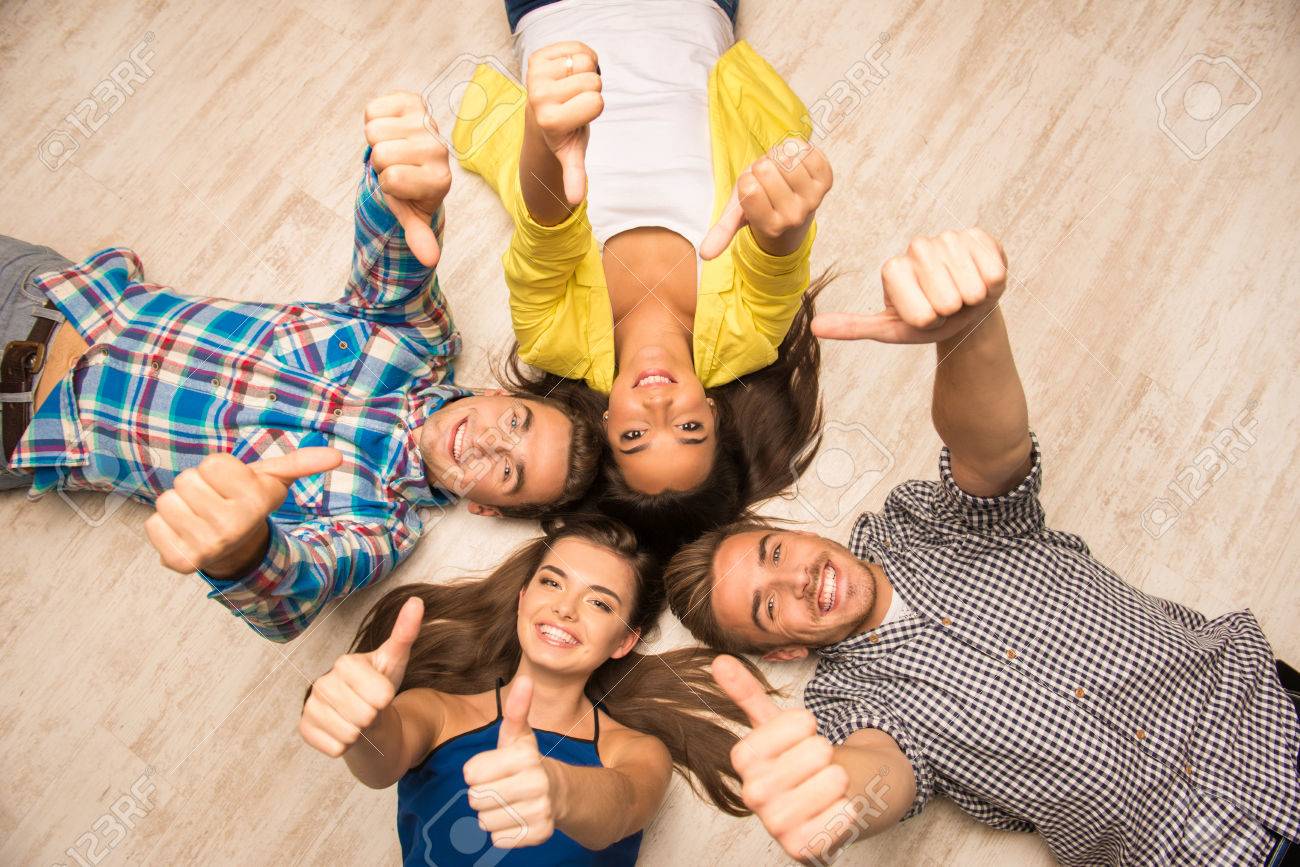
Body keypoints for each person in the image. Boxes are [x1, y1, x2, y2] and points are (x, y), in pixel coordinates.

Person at [662, 228, 1300, 866]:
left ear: (801, 533)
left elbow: (992, 453)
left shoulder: (924, 526)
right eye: (768, 607)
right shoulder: (850, 700)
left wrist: (969, 331)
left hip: (1275, 728)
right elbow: (878, 774)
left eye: (774, 554)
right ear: (788, 648)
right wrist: (835, 805)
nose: (793, 581)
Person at [0, 92, 601, 642]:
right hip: (44, 291)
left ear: (486, 507)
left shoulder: (376, 527)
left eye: (507, 472)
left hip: (21, 424)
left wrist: (244, 553)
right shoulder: (418, 341)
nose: (491, 443)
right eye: (516, 424)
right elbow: (393, 261)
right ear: (499, 394)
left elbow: (297, 588)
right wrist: (403, 190)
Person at [452, 0, 832, 554]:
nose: (660, 409)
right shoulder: (748, 338)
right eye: (688, 429)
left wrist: (544, 135)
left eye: (634, 437)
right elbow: (776, 263)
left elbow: (545, 231)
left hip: (555, 15)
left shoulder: (555, 341)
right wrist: (784, 222)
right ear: (713, 412)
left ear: (606, 426)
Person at [298, 517, 771, 865]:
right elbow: (381, 761)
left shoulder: (636, 752)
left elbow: (623, 804)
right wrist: (361, 721)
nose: (565, 609)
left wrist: (556, 788)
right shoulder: (438, 712)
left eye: (599, 603)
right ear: (524, 599)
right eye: (551, 582)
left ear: (625, 640)